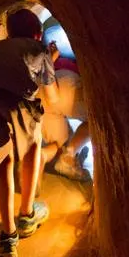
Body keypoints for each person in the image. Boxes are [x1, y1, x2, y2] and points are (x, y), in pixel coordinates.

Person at [0, 9, 59, 257]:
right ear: (38, 33)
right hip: (11, 98)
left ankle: (8, 238)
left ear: (9, 32)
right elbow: (53, 98)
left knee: (3, 160)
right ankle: (27, 215)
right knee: (32, 145)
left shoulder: (0, 46)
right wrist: (50, 61)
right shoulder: (39, 49)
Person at [40, 47, 91, 182]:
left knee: (57, 145)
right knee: (96, 123)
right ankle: (68, 156)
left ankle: (39, 158)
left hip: (41, 97)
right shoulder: (69, 61)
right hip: (66, 91)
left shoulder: (57, 59)